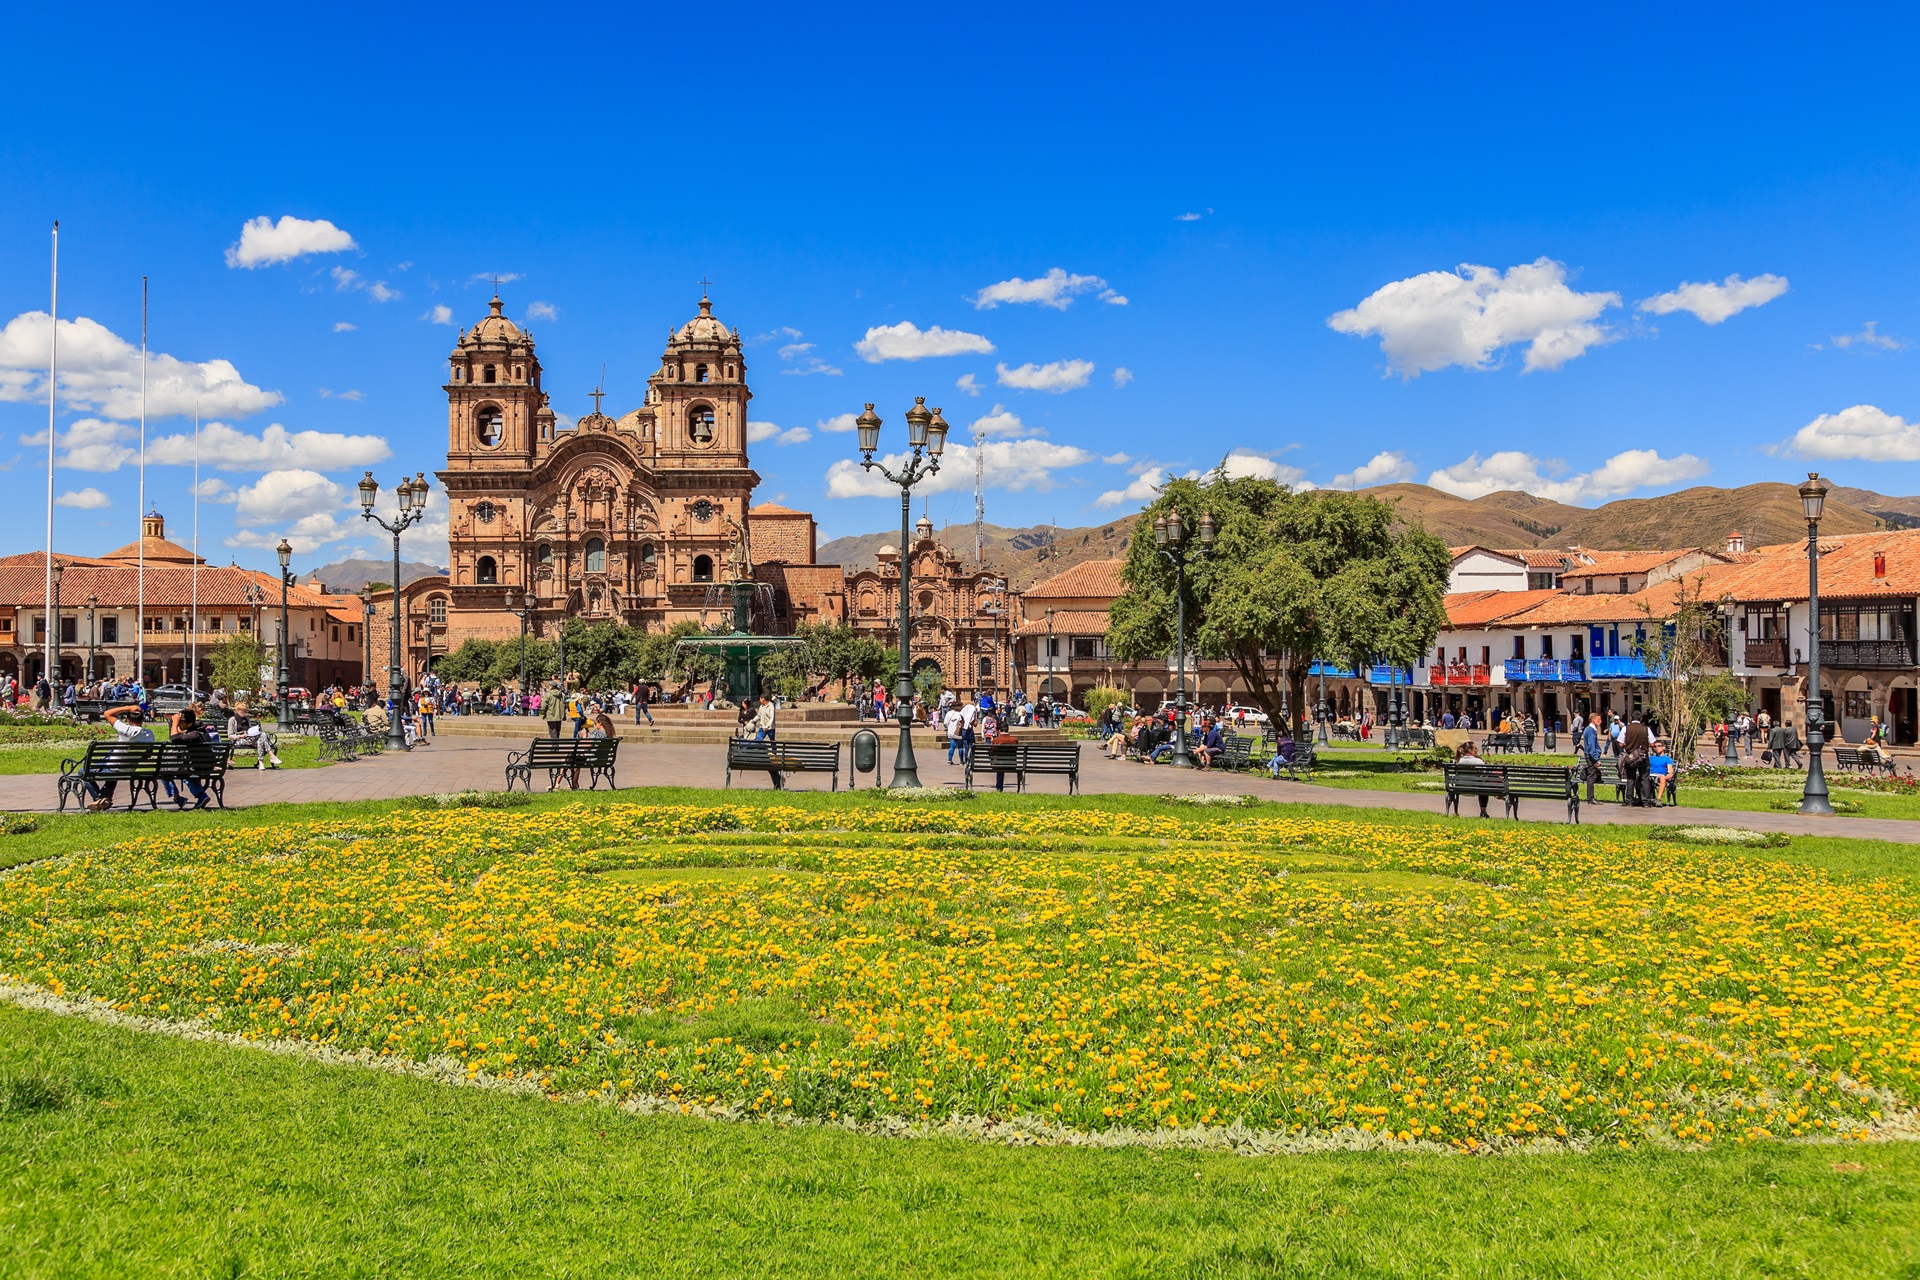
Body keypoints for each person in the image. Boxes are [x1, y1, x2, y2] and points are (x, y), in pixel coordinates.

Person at [85, 703, 155, 812]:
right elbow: (148, 755)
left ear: (127, 719)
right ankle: (105, 798)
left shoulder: (124, 729)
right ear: (143, 719)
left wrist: (127, 707)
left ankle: (98, 798)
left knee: (83, 772)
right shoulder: (149, 734)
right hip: (130, 769)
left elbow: (107, 713)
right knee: (112, 768)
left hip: (114, 768)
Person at [163, 706, 213, 810]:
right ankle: (198, 796)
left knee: (164, 770)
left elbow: (174, 739)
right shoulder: (199, 731)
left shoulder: (194, 735)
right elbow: (177, 736)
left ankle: (179, 798)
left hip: (198, 767)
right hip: (202, 765)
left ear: (189, 724)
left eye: (181, 722)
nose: (179, 724)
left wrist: (175, 722)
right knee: (178, 770)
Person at [227, 703, 283, 769]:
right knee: (263, 735)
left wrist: (252, 732)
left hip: (250, 738)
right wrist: (241, 736)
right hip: (238, 740)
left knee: (261, 739)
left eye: (245, 711)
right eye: (242, 711)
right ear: (237, 710)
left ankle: (261, 762)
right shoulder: (232, 720)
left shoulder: (247, 719)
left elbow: (250, 730)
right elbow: (230, 735)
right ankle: (270, 757)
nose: (244, 713)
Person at [1619, 714, 1652, 806]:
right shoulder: (1646, 729)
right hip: (1643, 756)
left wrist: (1629, 745)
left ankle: (1629, 800)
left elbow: (1621, 744)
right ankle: (1645, 801)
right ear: (1640, 719)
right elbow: (1653, 743)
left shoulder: (1626, 728)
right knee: (1644, 778)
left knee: (1630, 778)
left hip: (1630, 757)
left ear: (1631, 718)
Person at [1453, 741, 1494, 816]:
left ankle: (1455, 811)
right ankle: (1483, 811)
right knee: (1484, 787)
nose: (1476, 750)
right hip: (1476, 787)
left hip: (1459, 787)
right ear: (1469, 750)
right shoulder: (1477, 761)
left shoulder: (1457, 761)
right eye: (1475, 748)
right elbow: (1485, 772)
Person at [1578, 712, 1603, 803]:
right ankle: (1590, 798)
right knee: (1591, 776)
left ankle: (1590, 797)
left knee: (1592, 775)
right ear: (1593, 720)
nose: (1600, 721)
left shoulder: (1590, 729)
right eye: (1598, 720)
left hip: (1590, 755)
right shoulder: (1590, 730)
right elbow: (1591, 745)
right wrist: (1596, 759)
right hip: (1591, 756)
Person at [1647, 739, 1675, 806]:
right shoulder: (1651, 758)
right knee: (1639, 777)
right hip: (1650, 775)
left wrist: (1670, 774)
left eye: (1659, 746)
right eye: (1655, 746)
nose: (1657, 748)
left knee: (1662, 778)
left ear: (1663, 747)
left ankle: (1658, 799)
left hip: (1660, 775)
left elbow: (1670, 770)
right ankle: (1641, 797)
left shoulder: (1667, 759)